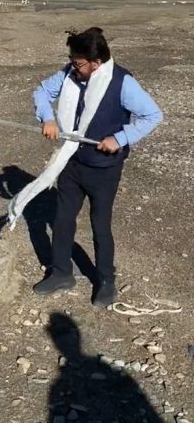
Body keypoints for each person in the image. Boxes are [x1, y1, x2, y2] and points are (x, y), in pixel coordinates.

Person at [30, 27, 162, 307]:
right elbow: (41, 92)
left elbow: (152, 115)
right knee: (62, 219)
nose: (73, 67)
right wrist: (47, 118)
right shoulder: (69, 73)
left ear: (97, 63)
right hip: (71, 161)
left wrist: (120, 138)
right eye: (72, 60)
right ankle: (62, 273)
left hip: (104, 168)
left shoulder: (122, 82)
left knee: (100, 224)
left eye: (78, 63)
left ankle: (105, 282)